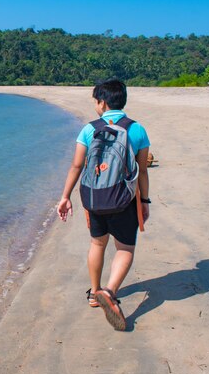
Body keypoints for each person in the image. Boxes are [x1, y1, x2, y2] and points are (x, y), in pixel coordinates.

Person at [57, 79, 150, 331]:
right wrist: (144, 201)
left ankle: (94, 293)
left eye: (96, 101)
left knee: (98, 243)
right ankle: (110, 291)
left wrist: (65, 196)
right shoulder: (137, 129)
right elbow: (141, 171)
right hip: (124, 200)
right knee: (125, 249)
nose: (95, 106)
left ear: (102, 102)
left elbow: (77, 166)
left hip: (95, 199)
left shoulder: (88, 129)